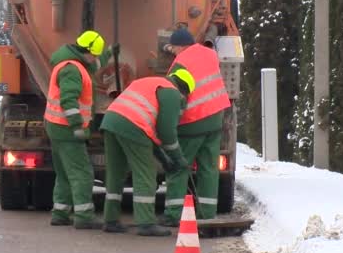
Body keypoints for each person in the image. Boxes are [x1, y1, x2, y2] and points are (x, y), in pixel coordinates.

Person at [100, 69, 195, 236]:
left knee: (116, 173)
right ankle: (146, 223)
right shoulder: (172, 93)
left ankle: (111, 220)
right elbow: (166, 132)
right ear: (184, 89)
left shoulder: (149, 82)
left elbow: (152, 137)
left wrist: (165, 160)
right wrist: (178, 158)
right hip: (133, 124)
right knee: (145, 172)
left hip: (111, 121)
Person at [160, 28, 231, 225]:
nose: (172, 52)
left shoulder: (179, 64)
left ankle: (174, 214)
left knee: (179, 166)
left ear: (178, 46)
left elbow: (175, 96)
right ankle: (207, 213)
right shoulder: (210, 54)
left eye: (173, 48)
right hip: (216, 117)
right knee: (208, 167)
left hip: (193, 121)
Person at [45, 30, 113, 229]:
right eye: (95, 54)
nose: (95, 59)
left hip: (56, 127)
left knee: (64, 173)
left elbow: (94, 64)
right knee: (82, 173)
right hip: (66, 129)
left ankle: (60, 213)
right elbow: (68, 100)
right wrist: (76, 125)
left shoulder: (72, 62)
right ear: (87, 51)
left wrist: (109, 54)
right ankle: (84, 216)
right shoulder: (72, 70)